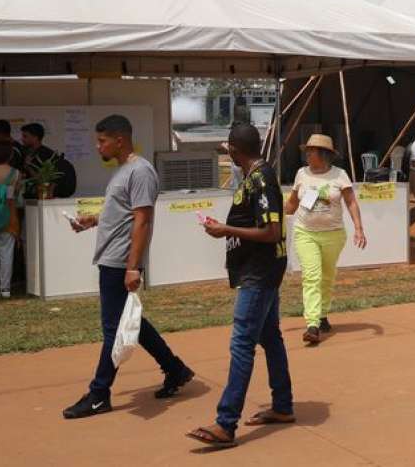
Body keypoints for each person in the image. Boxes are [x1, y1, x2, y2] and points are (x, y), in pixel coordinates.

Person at [63, 115, 194, 419]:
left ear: (119, 140)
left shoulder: (141, 171)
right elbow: (122, 212)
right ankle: (175, 369)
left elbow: (143, 220)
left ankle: (98, 394)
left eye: (102, 141)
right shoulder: (124, 170)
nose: (98, 147)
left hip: (121, 262)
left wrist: (133, 266)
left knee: (113, 328)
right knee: (130, 323)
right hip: (113, 258)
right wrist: (92, 221)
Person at [188, 123, 293, 449]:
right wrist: (227, 228)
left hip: (259, 273)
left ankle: (225, 423)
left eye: (227, 149)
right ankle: (282, 405)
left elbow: (271, 232)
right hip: (259, 270)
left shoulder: (261, 180)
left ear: (234, 150)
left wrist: (226, 230)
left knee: (242, 343)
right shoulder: (254, 177)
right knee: (269, 336)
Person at [285, 134, 367, 345]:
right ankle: (312, 324)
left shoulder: (339, 175)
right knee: (312, 276)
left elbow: (351, 203)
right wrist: (272, 215)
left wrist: (359, 228)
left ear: (324, 154)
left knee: (327, 276)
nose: (308, 154)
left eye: (312, 151)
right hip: (305, 233)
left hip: (333, 234)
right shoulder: (301, 174)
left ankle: (322, 315)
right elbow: (292, 204)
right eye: (307, 150)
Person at [0, 143, 22, 298]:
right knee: (6, 252)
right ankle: (5, 289)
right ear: (10, 156)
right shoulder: (15, 173)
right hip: (7, 214)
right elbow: (15, 196)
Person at [21, 122, 58, 199]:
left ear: (35, 137)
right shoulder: (24, 151)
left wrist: (28, 166)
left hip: (40, 196)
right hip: (25, 196)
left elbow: (45, 180)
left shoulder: (47, 155)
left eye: (25, 136)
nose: (22, 139)